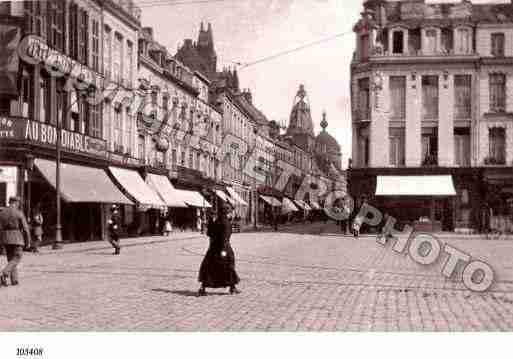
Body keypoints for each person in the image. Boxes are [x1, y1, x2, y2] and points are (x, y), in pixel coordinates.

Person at [198, 204, 240, 296]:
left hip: (213, 249)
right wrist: (224, 250)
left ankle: (203, 287)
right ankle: (232, 288)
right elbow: (225, 238)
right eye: (230, 213)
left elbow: (209, 234)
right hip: (223, 248)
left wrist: (210, 222)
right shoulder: (226, 223)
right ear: (227, 213)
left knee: (210, 267)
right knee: (228, 266)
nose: (231, 214)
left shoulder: (216, 221)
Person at [0, 196, 31, 286]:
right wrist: (28, 241)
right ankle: (4, 273)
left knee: (11, 259)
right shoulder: (18, 213)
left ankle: (14, 280)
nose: (19, 204)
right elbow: (25, 228)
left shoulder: (2, 213)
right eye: (18, 203)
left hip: (5, 238)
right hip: (17, 237)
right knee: (17, 257)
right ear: (15, 202)